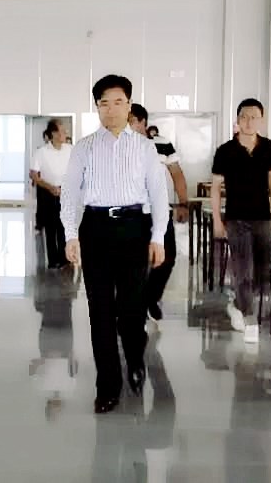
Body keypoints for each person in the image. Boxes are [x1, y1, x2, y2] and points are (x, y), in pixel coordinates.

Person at [61, 75, 169, 414]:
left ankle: (135, 359)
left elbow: (159, 195)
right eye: (104, 103)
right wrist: (70, 234)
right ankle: (107, 386)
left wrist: (158, 237)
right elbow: (69, 193)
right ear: (97, 107)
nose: (111, 109)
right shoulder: (84, 147)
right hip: (95, 229)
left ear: (129, 105)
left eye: (118, 102)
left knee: (132, 308)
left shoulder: (145, 148)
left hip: (134, 228)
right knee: (100, 311)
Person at [211, 98, 271, 344]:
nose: (249, 122)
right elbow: (216, 188)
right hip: (236, 218)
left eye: (254, 117)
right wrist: (217, 220)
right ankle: (250, 320)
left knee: (261, 272)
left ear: (261, 120)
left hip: (262, 217)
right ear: (238, 120)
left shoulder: (268, 147)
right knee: (243, 270)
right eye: (244, 117)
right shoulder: (225, 151)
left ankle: (237, 304)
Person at [129, 104, 189, 322]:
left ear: (143, 122)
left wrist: (183, 203)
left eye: (132, 121)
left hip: (160, 211)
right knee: (133, 262)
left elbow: (177, 174)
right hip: (132, 213)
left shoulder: (162, 144)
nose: (128, 125)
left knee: (168, 257)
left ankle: (151, 298)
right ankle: (131, 307)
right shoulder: (121, 145)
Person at [30, 119, 72, 269]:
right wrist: (50, 187)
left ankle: (64, 258)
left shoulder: (70, 149)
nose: (65, 133)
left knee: (63, 227)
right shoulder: (41, 152)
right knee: (50, 228)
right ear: (54, 133)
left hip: (65, 192)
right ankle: (53, 260)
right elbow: (34, 175)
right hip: (47, 192)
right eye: (62, 131)